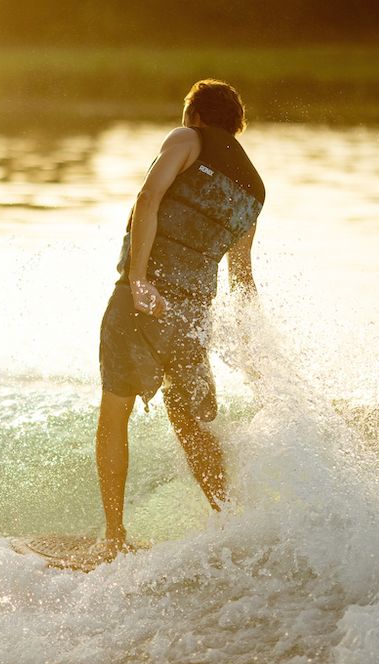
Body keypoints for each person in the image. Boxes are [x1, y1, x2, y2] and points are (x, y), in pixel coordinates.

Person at [96, 79, 265, 553]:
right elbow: (242, 276)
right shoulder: (254, 187)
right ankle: (232, 524)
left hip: (146, 300)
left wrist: (138, 279)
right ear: (237, 126)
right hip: (194, 314)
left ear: (194, 114)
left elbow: (148, 198)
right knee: (192, 422)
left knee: (115, 412)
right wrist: (255, 342)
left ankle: (114, 537)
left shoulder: (185, 138)